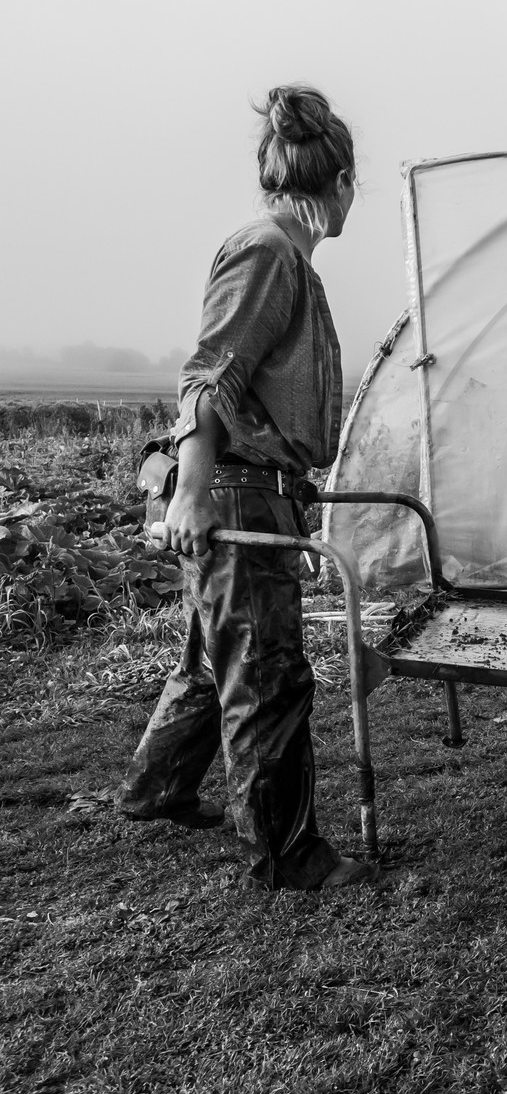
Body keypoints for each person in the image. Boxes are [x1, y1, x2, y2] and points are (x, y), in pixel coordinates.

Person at [117, 84, 374, 892]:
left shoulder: (287, 256)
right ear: (340, 184)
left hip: (252, 484)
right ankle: (287, 854)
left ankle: (154, 789)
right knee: (267, 672)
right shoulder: (267, 251)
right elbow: (209, 378)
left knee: (211, 655)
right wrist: (192, 495)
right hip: (232, 487)